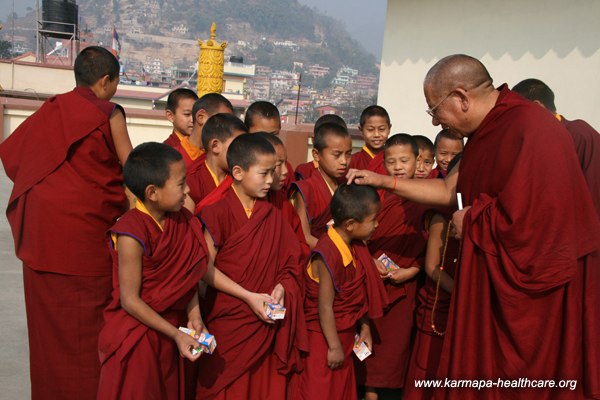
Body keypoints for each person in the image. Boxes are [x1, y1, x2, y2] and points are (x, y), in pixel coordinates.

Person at [347, 54, 600, 399]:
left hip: (533, 304)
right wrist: (383, 180)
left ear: (462, 98)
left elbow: (549, 228)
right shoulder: (486, 133)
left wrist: (475, 220)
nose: (435, 123)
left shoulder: (532, 129)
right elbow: (450, 191)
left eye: (434, 110)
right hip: (489, 287)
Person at [0, 46, 131, 400]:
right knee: (89, 341)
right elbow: (133, 174)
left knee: (49, 342)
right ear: (105, 81)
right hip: (86, 249)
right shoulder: (108, 114)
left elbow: (15, 160)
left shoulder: (51, 111)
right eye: (115, 84)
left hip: (42, 245)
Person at [197, 134, 307, 399]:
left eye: (274, 172)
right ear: (238, 172)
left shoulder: (273, 215)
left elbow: (290, 264)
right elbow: (204, 269)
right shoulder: (216, 213)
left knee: (263, 387)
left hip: (266, 321)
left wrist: (282, 286)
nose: (271, 180)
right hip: (230, 318)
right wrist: (248, 297)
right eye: (264, 173)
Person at [97, 142, 209, 399]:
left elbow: (187, 274)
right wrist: (176, 335)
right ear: (152, 192)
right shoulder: (131, 233)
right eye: (181, 184)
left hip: (173, 332)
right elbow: (130, 300)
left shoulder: (183, 220)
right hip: (139, 334)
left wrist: (195, 316)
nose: (188, 190)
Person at [512, 78, 600, 397]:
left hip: (579, 252)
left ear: (536, 108)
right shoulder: (541, 138)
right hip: (551, 251)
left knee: (576, 330)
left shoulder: (579, 135)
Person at [295, 183, 388, 400]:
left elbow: (358, 295)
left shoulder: (355, 245)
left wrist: (364, 326)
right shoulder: (328, 252)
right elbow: (325, 306)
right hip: (323, 341)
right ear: (351, 224)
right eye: (373, 220)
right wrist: (334, 346)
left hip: (344, 337)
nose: (377, 224)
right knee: (319, 392)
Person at [357, 134, 428, 399]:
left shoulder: (426, 197)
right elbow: (358, 238)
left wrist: (414, 269)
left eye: (404, 160)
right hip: (373, 282)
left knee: (394, 348)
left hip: (404, 288)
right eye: (391, 161)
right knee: (370, 343)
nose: (397, 167)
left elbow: (434, 246)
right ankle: (369, 391)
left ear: (418, 161)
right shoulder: (378, 198)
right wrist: (370, 262)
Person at [404, 156, 462, 400]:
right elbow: (432, 267)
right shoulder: (442, 216)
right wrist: (463, 292)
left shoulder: (479, 212)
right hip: (442, 302)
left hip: (461, 308)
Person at [290, 122, 353, 248]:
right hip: (319, 258)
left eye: (348, 154)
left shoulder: (348, 185)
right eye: (337, 155)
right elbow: (304, 237)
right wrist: (336, 252)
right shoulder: (306, 189)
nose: (344, 161)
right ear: (316, 155)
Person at [254, 132, 310, 259]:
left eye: (285, 163)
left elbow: (301, 245)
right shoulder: (234, 204)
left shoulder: (282, 202)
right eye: (278, 165)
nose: (285, 171)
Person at [186, 113, 246, 208]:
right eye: (237, 145)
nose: (242, 152)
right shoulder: (191, 183)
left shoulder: (241, 179)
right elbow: (188, 221)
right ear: (215, 146)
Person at [244, 100, 295, 191]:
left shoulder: (284, 168)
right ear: (246, 131)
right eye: (259, 135)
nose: (267, 141)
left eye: (273, 135)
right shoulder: (239, 163)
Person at [295, 114, 348, 181]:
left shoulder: (349, 174)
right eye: (336, 154)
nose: (344, 161)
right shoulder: (305, 171)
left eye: (348, 153)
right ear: (313, 141)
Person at [163, 88, 200, 169]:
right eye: (187, 114)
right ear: (170, 116)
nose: (193, 120)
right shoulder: (167, 150)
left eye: (196, 115)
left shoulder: (204, 146)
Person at [349, 105, 391, 171]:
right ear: (361, 130)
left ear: (389, 129)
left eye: (381, 129)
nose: (376, 135)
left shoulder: (393, 160)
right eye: (370, 129)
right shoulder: (352, 161)